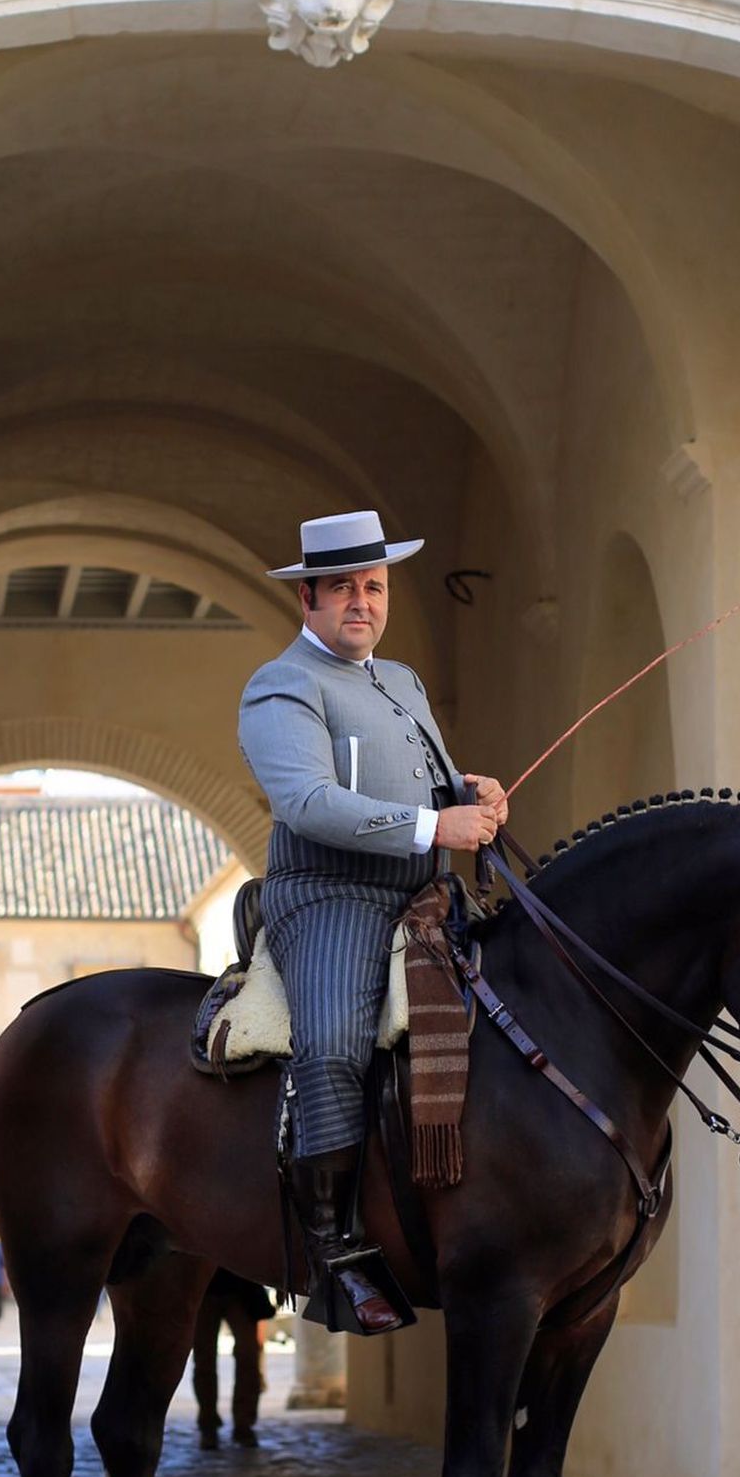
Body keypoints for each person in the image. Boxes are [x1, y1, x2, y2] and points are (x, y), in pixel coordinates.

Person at [237, 509, 507, 1335]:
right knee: (332, 1046)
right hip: (328, 897)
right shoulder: (282, 685)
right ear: (309, 598)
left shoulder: (403, 680)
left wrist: (468, 798)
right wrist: (436, 828)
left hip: (420, 896)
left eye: (376, 587)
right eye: (346, 588)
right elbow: (309, 802)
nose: (363, 602)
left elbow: (422, 786)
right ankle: (336, 1255)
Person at [192, 1269, 275, 1450]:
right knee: (204, 1360)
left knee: (248, 1357)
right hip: (205, 1288)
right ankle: (209, 1425)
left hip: (241, 1287)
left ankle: (243, 1425)